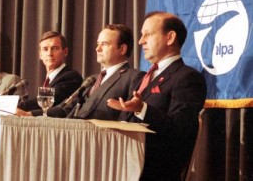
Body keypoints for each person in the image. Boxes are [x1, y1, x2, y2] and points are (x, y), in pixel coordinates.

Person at [107, 11, 207, 180]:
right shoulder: (145, 77)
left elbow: (180, 130)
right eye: (141, 35)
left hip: (152, 171)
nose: (140, 41)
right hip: (122, 164)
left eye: (148, 34)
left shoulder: (187, 78)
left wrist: (142, 109)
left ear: (170, 38)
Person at [19, 24, 145, 120]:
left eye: (104, 44)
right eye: (97, 44)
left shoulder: (133, 77)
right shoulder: (92, 80)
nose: (97, 49)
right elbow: (66, 108)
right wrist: (29, 114)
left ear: (122, 49)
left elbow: (129, 118)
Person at [17, 31, 83, 116]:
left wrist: (14, 107)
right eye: (45, 49)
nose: (49, 53)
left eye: (55, 48)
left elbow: (46, 101)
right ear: (40, 55)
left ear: (65, 52)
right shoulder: (50, 79)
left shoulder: (71, 77)